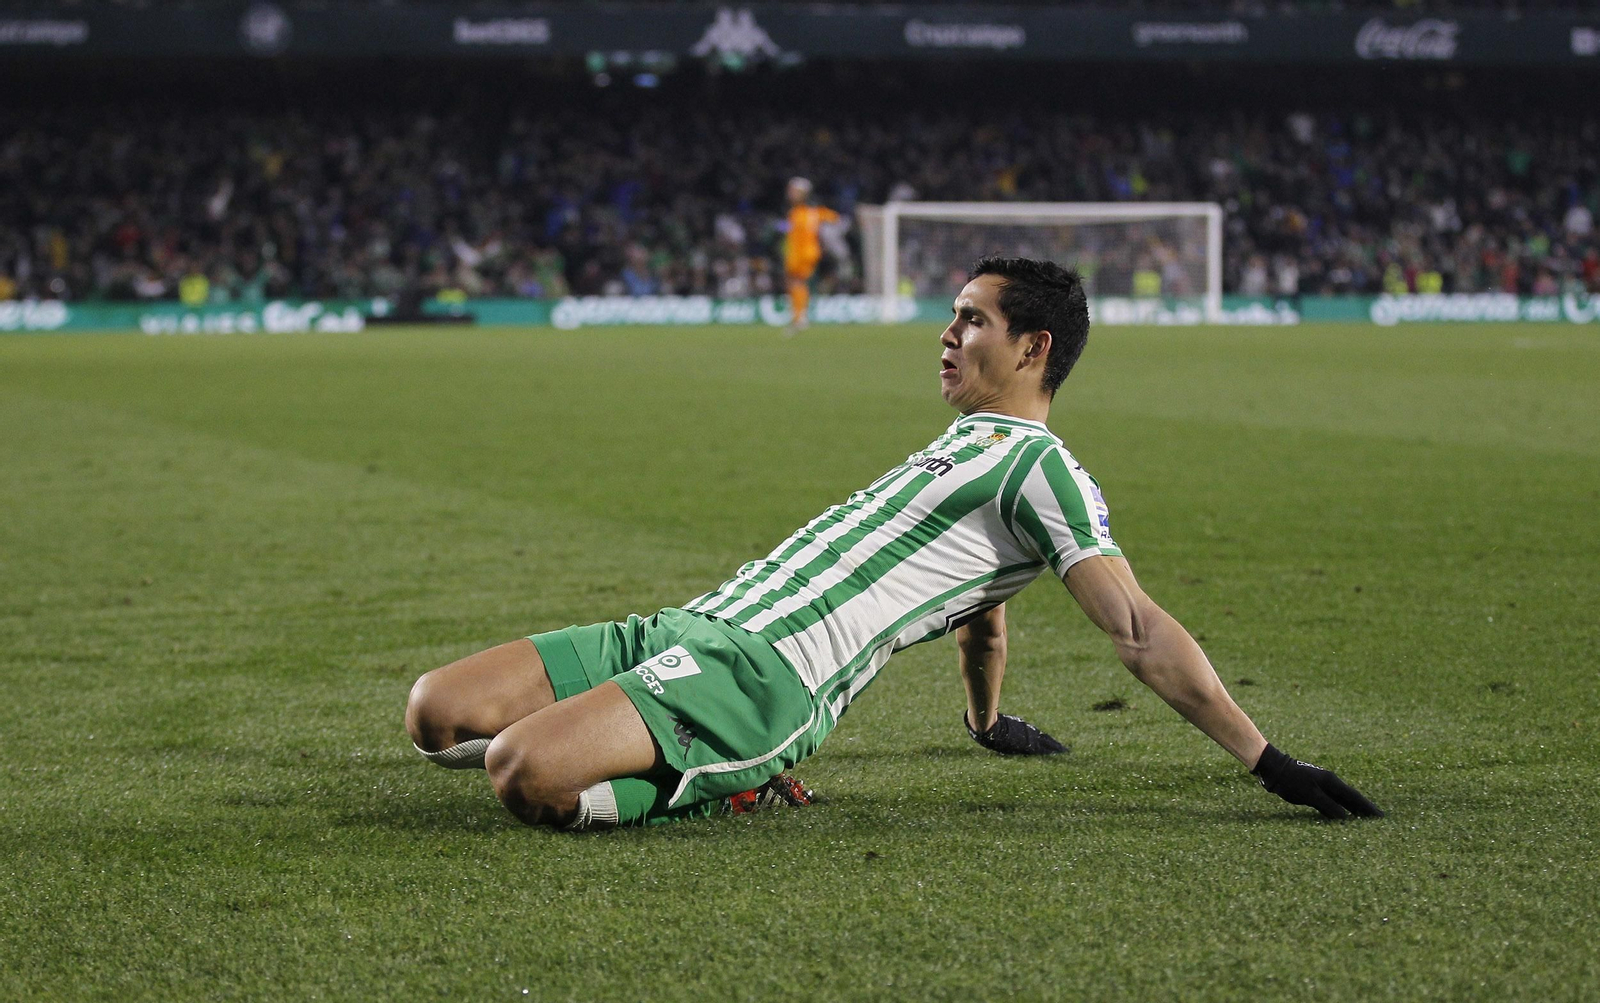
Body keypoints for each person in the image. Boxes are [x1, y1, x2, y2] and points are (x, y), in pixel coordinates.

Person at [405, 255, 1382, 830]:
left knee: (523, 774)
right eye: (950, 318)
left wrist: (1269, 764)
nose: (947, 335)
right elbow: (979, 619)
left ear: (1034, 348)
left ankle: (718, 784)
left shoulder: (1041, 470)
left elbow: (1136, 630)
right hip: (693, 626)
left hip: (762, 677)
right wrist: (986, 724)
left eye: (972, 320)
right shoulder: (968, 448)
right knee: (435, 712)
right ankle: (689, 753)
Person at [780, 177, 840, 333]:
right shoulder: (800, 212)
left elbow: (835, 219)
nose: (791, 194)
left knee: (797, 282)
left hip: (803, 254)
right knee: (795, 283)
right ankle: (799, 316)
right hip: (800, 253)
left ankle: (800, 318)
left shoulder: (809, 212)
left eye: (794, 191)